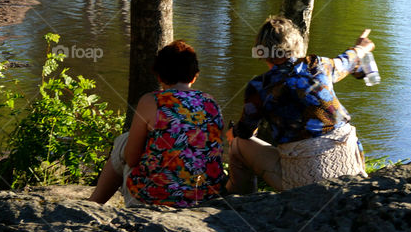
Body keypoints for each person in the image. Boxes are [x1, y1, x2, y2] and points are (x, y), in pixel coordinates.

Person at [225, 16, 374, 194]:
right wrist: (361, 47)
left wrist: (233, 133)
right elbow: (347, 60)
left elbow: (245, 132)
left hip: (303, 183)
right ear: (296, 44)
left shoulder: (259, 87)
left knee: (238, 145)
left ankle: (238, 200)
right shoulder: (318, 65)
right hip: (350, 169)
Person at [89, 41, 225, 207]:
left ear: (159, 75)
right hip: (203, 197)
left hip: (153, 199)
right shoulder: (210, 102)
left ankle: (93, 203)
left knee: (124, 141)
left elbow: (131, 160)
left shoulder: (152, 101)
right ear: (195, 74)